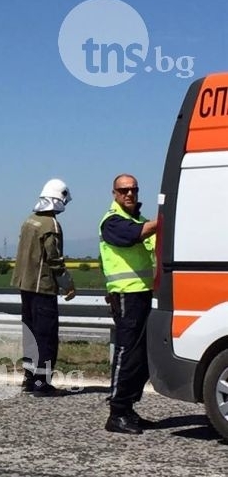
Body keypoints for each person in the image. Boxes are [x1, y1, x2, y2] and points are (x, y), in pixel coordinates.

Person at [100, 174, 158, 435]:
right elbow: (138, 234)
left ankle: (129, 408)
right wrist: (167, 220)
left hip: (144, 294)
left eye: (133, 189)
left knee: (142, 355)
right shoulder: (112, 222)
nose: (129, 194)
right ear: (114, 193)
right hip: (126, 296)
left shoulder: (141, 221)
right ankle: (117, 412)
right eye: (123, 190)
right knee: (126, 352)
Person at [11, 178, 76, 397]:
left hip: (24, 285)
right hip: (43, 287)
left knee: (29, 332)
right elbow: (54, 259)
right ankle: (42, 382)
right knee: (46, 335)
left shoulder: (28, 221)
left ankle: (29, 379)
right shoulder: (52, 225)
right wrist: (67, 284)